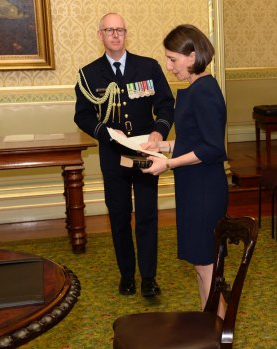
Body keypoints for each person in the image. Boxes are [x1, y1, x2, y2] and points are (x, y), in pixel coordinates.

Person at [74, 13, 174, 297]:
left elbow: (166, 104)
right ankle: (127, 275)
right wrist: (106, 133)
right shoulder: (89, 74)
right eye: (109, 30)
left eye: (120, 30)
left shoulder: (148, 67)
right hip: (113, 156)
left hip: (144, 152)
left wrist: (159, 132)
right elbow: (82, 115)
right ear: (100, 35)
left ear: (126, 34)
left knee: (146, 215)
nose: (115, 35)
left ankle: (149, 278)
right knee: (119, 216)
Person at [141, 24, 228, 311]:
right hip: (193, 185)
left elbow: (212, 148)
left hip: (204, 189)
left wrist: (168, 163)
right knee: (201, 266)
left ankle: (219, 330)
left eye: (173, 59)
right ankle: (210, 325)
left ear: (192, 57)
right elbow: (195, 139)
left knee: (208, 269)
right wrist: (164, 147)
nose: (168, 66)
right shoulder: (195, 88)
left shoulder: (205, 91)